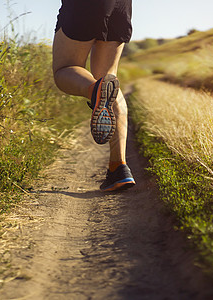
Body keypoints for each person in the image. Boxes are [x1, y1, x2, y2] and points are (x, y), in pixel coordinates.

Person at [52, 0, 135, 192]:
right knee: (109, 79)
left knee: (65, 69)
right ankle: (118, 167)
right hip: (121, 5)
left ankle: (94, 90)